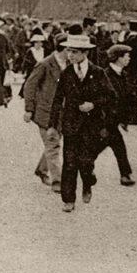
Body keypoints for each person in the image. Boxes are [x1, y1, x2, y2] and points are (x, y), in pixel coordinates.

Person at [48, 34, 116, 213]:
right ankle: (68, 199)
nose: (70, 55)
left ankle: (87, 183)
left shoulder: (98, 72)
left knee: (86, 161)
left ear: (85, 53)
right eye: (69, 51)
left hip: (92, 125)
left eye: (74, 52)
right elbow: (57, 99)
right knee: (69, 162)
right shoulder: (66, 73)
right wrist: (52, 125)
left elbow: (110, 96)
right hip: (71, 124)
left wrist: (93, 104)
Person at [22, 32, 69, 192]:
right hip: (45, 113)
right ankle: (58, 181)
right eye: (71, 49)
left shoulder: (68, 64)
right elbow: (29, 85)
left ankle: (42, 169)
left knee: (52, 143)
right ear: (63, 49)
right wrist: (29, 109)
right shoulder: (45, 64)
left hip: (61, 113)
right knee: (53, 144)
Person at [101, 44, 137, 186]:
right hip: (104, 120)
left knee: (102, 147)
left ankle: (125, 174)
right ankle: (125, 175)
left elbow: (129, 95)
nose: (129, 58)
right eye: (126, 56)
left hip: (113, 120)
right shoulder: (105, 75)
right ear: (118, 58)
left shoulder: (123, 74)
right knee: (115, 145)